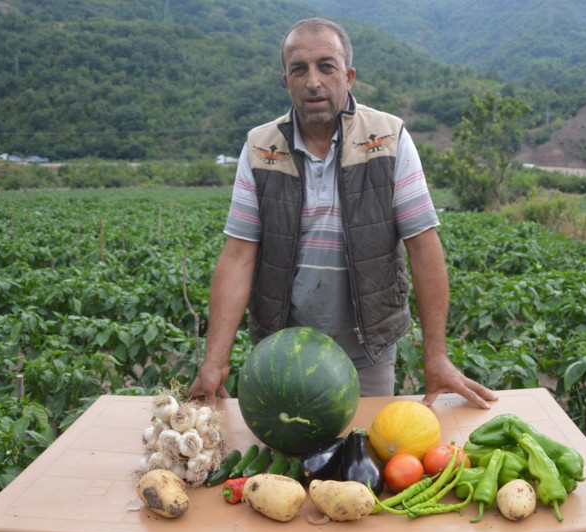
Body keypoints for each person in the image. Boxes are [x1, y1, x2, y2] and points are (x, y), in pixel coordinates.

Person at [188, 17, 497, 409]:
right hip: (284, 352)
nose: (313, 81)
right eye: (299, 69)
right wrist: (214, 362)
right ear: (287, 81)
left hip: (366, 350)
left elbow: (423, 246)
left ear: (348, 76)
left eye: (326, 66)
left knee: (360, 460)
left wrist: (435, 357)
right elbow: (238, 255)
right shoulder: (261, 148)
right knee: (285, 457)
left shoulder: (388, 139)